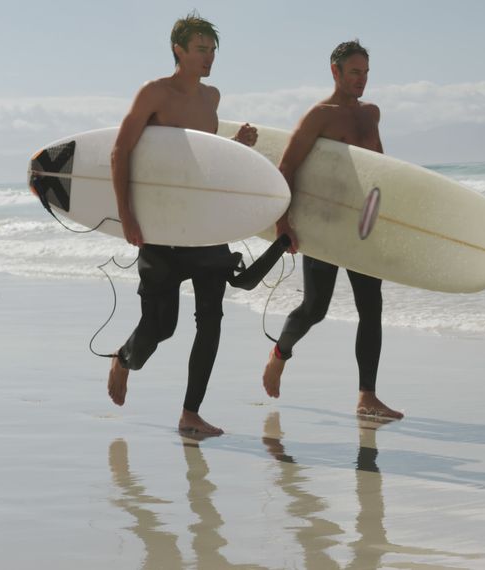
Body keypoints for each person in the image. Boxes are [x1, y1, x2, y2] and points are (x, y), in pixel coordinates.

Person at [106, 12, 268, 435]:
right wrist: (126, 213)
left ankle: (190, 414)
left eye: (212, 50)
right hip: (162, 227)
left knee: (211, 321)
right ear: (179, 50)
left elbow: (202, 162)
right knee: (162, 327)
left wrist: (237, 146)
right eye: (201, 50)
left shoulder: (211, 98)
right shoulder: (154, 93)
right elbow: (120, 151)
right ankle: (125, 359)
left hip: (203, 226)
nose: (208, 57)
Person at [262, 40, 404, 420]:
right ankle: (279, 354)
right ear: (335, 72)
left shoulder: (371, 114)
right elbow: (286, 168)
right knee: (315, 308)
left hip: (361, 227)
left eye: (366, 73)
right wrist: (284, 224)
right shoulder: (319, 116)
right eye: (355, 72)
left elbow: (379, 174)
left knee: (371, 308)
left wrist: (387, 221)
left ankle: (367, 397)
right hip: (325, 227)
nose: (362, 80)